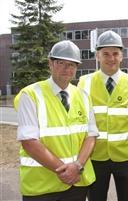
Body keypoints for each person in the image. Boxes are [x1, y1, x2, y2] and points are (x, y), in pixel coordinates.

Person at [14, 40, 98, 201]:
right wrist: (65, 171)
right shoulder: (30, 95)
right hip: (42, 186)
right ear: (50, 64)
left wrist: (77, 166)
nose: (67, 69)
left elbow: (91, 136)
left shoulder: (83, 96)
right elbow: (29, 142)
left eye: (72, 65)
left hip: (77, 184)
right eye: (61, 63)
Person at [78, 30, 128, 201]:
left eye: (115, 53)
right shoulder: (84, 82)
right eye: (105, 54)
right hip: (95, 156)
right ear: (97, 56)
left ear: (122, 56)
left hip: (126, 156)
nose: (111, 58)